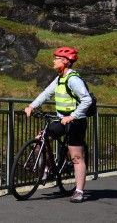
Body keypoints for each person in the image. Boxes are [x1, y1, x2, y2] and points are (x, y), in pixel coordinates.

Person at [24, 46, 92, 203]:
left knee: (76, 156)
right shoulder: (59, 78)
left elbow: (87, 100)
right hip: (61, 119)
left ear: (65, 61)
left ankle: (79, 191)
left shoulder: (73, 79)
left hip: (76, 121)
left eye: (56, 58)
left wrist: (73, 116)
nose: (53, 60)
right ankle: (47, 169)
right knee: (41, 139)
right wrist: (32, 106)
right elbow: (46, 93)